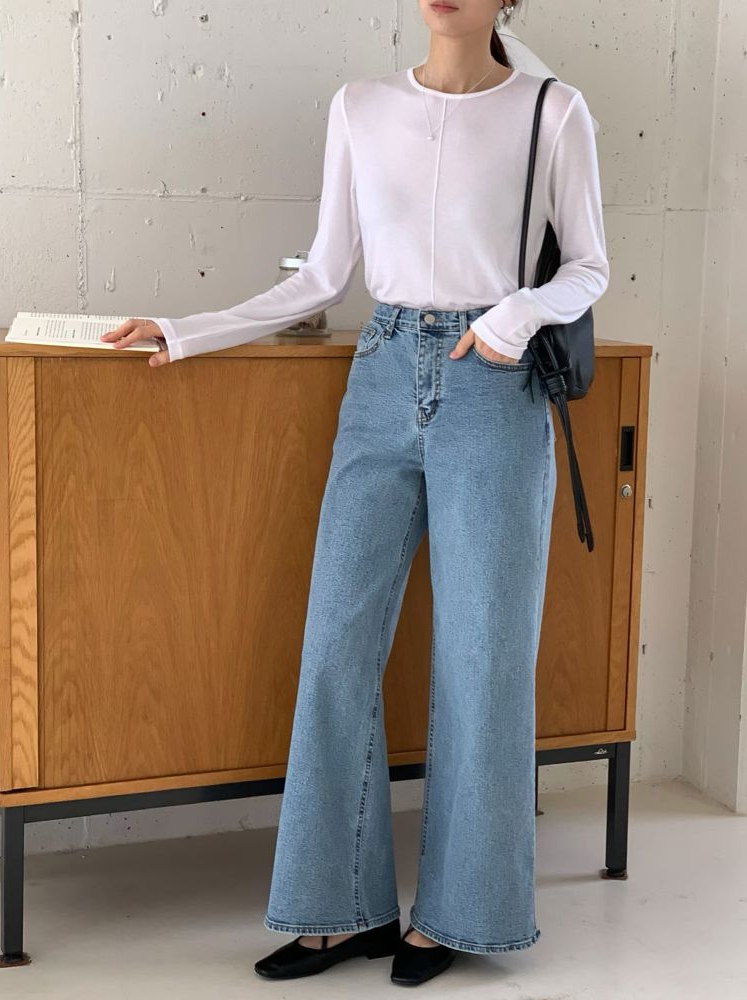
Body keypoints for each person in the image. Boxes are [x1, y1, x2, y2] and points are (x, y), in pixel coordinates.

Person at [102, 0, 609, 986]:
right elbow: (322, 277)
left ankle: (461, 915)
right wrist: (185, 328)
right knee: (336, 643)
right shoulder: (361, 106)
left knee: (483, 658)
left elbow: (588, 265)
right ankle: (338, 910)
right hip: (380, 377)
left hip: (492, 385)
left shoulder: (554, 110)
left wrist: (513, 316)